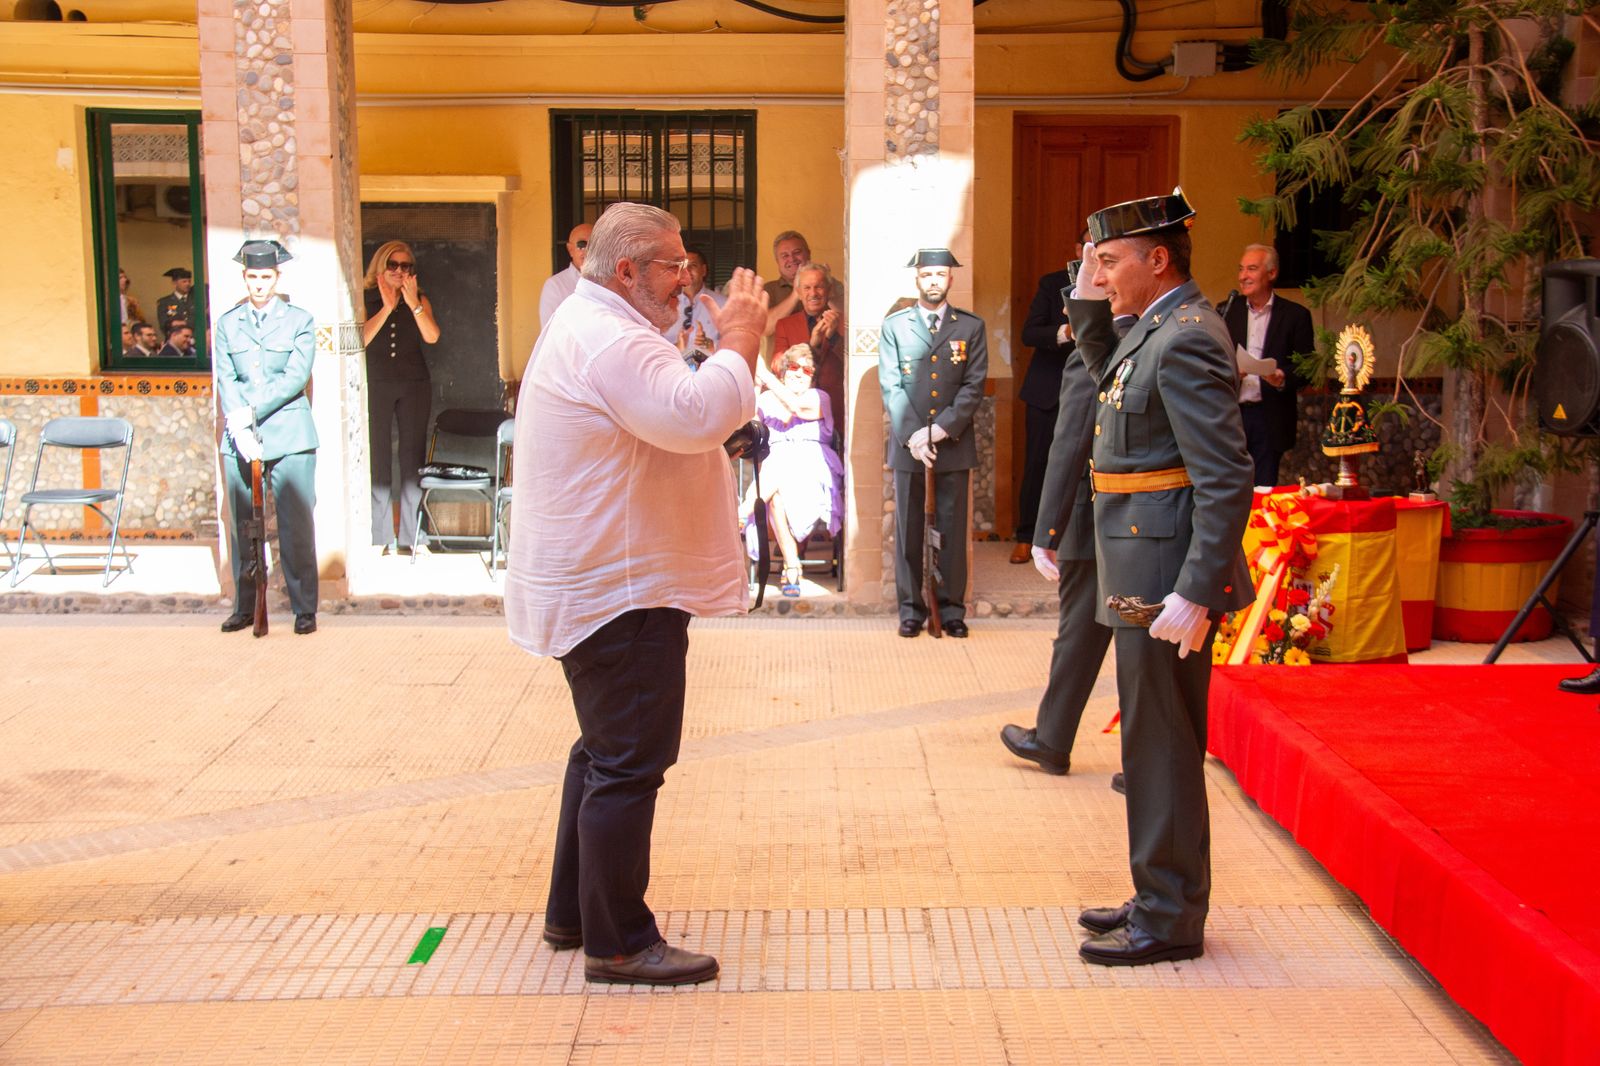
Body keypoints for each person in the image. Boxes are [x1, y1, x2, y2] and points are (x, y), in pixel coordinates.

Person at [505, 201, 767, 986]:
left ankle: (574, 913)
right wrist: (744, 339)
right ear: (626, 271)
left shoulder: (600, 328)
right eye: (671, 265)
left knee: (603, 749)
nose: (685, 277)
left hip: (605, 579)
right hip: (618, 590)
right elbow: (694, 415)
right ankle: (618, 941)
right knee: (628, 759)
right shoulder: (610, 336)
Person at [1065, 189, 1254, 966]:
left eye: (1110, 261)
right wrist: (1083, 286)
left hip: (1166, 575)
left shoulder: (1186, 339)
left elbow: (1226, 475)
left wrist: (1198, 587)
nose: (1102, 275)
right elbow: (1102, 367)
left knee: (1165, 745)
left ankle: (1172, 918)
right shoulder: (1153, 331)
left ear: (1158, 259)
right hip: (1140, 561)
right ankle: (1157, 895)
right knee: (1147, 743)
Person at [1001, 256, 1123, 780]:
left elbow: (1070, 437)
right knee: (1138, 641)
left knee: (1080, 630)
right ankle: (1127, 759)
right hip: (1144, 520)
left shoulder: (1095, 344)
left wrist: (1044, 530)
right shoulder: (1158, 330)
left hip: (1090, 511)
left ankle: (1052, 739)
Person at [878, 248, 988, 639]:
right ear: (917, 279)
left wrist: (939, 430)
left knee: (952, 532)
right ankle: (911, 609)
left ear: (951, 279)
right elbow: (892, 385)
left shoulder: (971, 327)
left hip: (952, 445)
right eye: (927, 275)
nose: (934, 281)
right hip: (910, 448)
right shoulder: (896, 326)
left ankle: (952, 609)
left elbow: (974, 387)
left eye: (941, 274)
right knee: (909, 531)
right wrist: (913, 436)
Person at [214, 239, 320, 636]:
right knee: (244, 525)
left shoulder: (299, 320)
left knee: (296, 524)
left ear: (277, 278)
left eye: (266, 277)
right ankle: (245, 606)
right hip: (240, 435)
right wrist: (238, 424)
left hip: (289, 433)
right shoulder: (228, 323)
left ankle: (304, 608)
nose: (259, 284)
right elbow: (227, 376)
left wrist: (249, 411)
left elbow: (295, 376)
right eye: (253, 277)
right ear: (244, 278)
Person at [1011, 230, 1089, 565]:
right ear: (1076, 249)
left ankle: (1076, 540)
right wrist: (1066, 332)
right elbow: (1030, 332)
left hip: (1092, 392)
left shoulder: (1115, 284)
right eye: (1088, 244)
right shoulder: (1051, 283)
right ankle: (1026, 536)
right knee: (1038, 465)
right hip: (1048, 391)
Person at [743, 343, 844, 596]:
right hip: (776, 475)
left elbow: (796, 408)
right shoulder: (767, 398)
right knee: (775, 495)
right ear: (784, 372)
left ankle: (742, 512)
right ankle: (792, 566)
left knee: (775, 471)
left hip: (811, 469)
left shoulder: (818, 397)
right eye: (794, 367)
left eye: (807, 370)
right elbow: (751, 428)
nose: (800, 373)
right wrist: (757, 386)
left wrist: (765, 375)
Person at [361, 240, 440, 555]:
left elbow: (432, 336)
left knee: (411, 459)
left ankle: (412, 537)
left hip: (413, 384)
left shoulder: (419, 300)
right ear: (381, 267)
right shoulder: (365, 298)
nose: (398, 271)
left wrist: (412, 303)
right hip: (377, 383)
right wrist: (387, 308)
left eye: (406, 266)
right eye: (392, 265)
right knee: (378, 459)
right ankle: (380, 537)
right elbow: (361, 339)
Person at [1227, 243, 1314, 488]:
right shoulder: (1228, 311)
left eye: (1252, 269)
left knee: (1263, 490)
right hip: (1233, 416)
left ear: (1272, 273)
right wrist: (1233, 371)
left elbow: (1306, 367)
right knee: (1233, 489)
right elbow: (1212, 360)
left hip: (1269, 416)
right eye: (1241, 269)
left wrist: (1282, 377)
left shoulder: (1295, 316)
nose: (1243, 276)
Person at [771, 262, 845, 435]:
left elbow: (851, 364)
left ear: (829, 289)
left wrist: (834, 337)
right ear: (798, 292)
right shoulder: (785, 324)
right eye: (807, 288)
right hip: (796, 409)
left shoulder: (844, 322)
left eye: (819, 287)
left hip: (835, 407)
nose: (813, 293)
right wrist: (811, 346)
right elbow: (777, 365)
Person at [662, 246, 726, 360]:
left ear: (704, 270)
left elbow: (734, 348)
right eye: (683, 266)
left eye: (693, 265)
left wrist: (712, 346)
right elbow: (653, 346)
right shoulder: (664, 303)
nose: (687, 270)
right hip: (671, 372)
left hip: (709, 372)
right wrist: (678, 347)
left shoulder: (722, 304)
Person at [538, 222, 593, 328]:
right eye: (582, 245)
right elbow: (550, 332)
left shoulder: (610, 281)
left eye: (593, 244)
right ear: (570, 249)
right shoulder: (555, 285)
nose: (588, 250)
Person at [156, 267, 195, 337]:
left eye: (189, 281)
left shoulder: (195, 300)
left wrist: (184, 323)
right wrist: (172, 324)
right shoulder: (164, 302)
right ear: (174, 283)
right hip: (175, 338)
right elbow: (163, 324)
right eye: (184, 281)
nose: (187, 284)